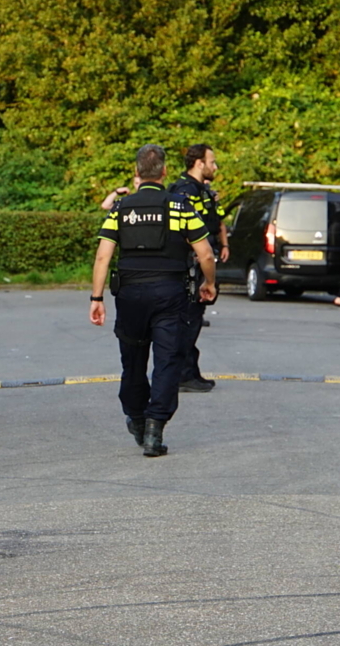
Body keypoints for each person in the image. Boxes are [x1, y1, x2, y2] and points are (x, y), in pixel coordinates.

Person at [90, 144, 216, 457]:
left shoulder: (121, 208)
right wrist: (209, 283)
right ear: (163, 172)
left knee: (132, 361)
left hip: (130, 295)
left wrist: (96, 297)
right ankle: (155, 428)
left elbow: (103, 256)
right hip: (170, 295)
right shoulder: (181, 206)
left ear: (137, 174)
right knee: (167, 360)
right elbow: (205, 253)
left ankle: (136, 417)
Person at [167, 144, 229, 393]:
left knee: (194, 318)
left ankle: (190, 371)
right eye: (212, 162)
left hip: (200, 260)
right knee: (188, 320)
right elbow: (185, 229)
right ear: (199, 163)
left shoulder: (202, 190)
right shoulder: (184, 190)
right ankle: (182, 374)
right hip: (191, 264)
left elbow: (214, 222)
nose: (215, 167)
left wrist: (222, 244)